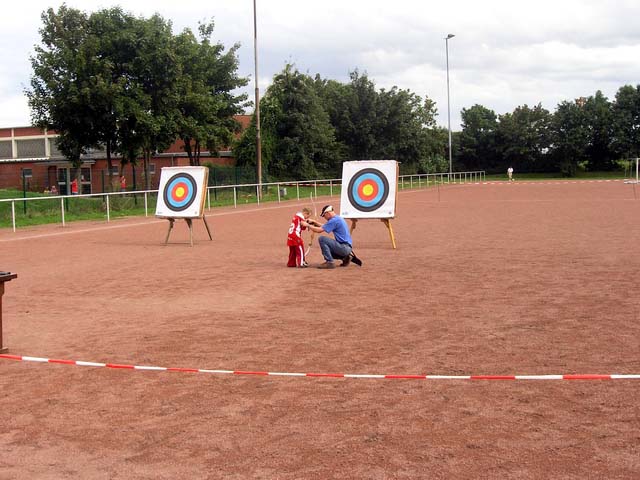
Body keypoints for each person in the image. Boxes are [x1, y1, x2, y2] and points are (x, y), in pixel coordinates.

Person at [302, 205, 362, 269]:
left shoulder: (334, 220)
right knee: (328, 249)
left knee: (322, 239)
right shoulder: (338, 218)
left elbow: (319, 230)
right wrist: (314, 222)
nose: (324, 217)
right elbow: (326, 226)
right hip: (347, 248)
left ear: (327, 213)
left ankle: (329, 262)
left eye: (324, 215)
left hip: (344, 247)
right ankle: (346, 257)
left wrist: (307, 225)